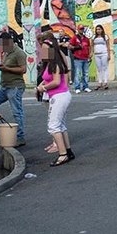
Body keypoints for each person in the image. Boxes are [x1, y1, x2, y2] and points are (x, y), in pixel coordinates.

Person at [37, 36, 75, 166]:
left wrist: (43, 88)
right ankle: (68, 151)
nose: (42, 52)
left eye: (45, 50)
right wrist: (42, 85)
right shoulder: (49, 64)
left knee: (53, 126)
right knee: (61, 125)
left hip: (59, 96)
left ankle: (63, 154)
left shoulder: (55, 64)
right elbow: (48, 79)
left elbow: (56, 82)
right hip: (59, 96)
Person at [0, 31, 28, 146]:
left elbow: (23, 70)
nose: (2, 47)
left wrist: (6, 69)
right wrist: (2, 66)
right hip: (4, 86)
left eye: (3, 44)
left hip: (15, 86)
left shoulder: (19, 53)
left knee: (17, 112)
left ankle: (20, 136)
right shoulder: (6, 53)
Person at [70, 25, 92, 93]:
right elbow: (70, 46)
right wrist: (76, 47)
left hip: (85, 57)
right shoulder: (75, 38)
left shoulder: (86, 39)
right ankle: (77, 87)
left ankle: (85, 86)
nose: (81, 30)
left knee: (86, 73)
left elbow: (89, 47)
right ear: (78, 29)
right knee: (78, 73)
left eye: (82, 29)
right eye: (80, 29)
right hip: (78, 58)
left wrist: (90, 55)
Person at [92, 24, 110, 90]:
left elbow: (108, 46)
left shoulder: (105, 36)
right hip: (97, 54)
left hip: (104, 54)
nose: (98, 31)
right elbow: (92, 45)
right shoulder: (94, 37)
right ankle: (100, 82)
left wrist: (109, 54)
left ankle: (105, 82)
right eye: (97, 29)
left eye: (99, 29)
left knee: (104, 68)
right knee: (99, 68)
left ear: (102, 30)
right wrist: (91, 53)